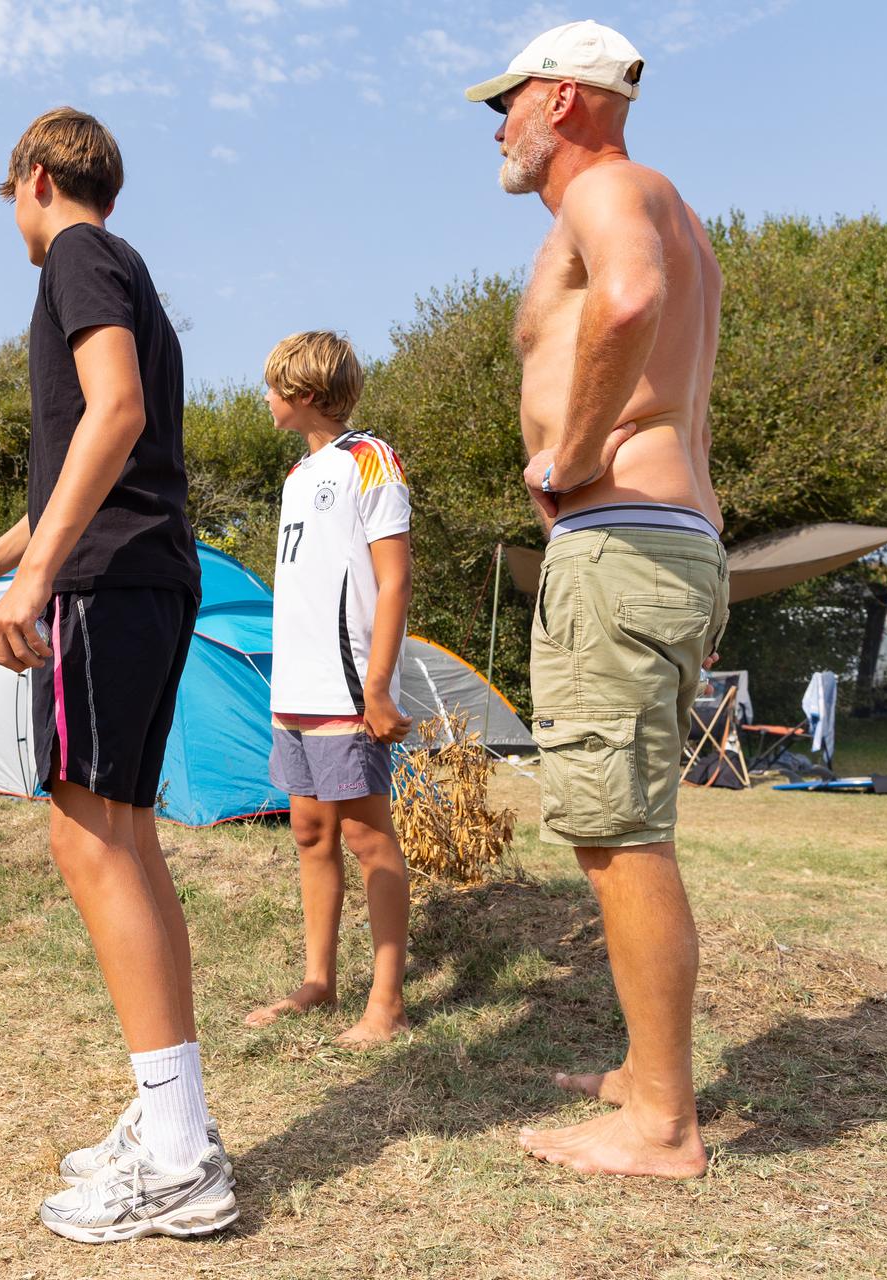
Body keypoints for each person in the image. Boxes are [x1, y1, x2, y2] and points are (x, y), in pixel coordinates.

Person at [0, 107, 235, 1242]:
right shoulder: (126, 270)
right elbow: (94, 457)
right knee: (127, 839)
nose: (12, 214)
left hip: (109, 584)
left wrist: (38, 579)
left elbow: (117, 414)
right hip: (145, 575)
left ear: (38, 179)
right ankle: (172, 1120)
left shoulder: (77, 258)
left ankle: (181, 1154)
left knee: (85, 835)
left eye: (9, 193)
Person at [464, 19, 727, 1178]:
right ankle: (643, 1068)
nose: (500, 128)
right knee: (615, 825)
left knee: (621, 835)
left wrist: (569, 457)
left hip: (621, 540)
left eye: (505, 104)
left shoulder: (613, 190)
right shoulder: (655, 200)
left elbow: (626, 305)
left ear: (560, 100)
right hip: (650, 543)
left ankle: (660, 1122)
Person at [240, 331, 415, 1048]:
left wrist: (376, 687)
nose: (268, 399)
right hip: (295, 688)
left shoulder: (370, 460)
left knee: (370, 841)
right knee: (311, 833)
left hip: (350, 692)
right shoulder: (294, 475)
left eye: (275, 388)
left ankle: (388, 1002)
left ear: (307, 394)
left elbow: (395, 578)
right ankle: (319, 980)